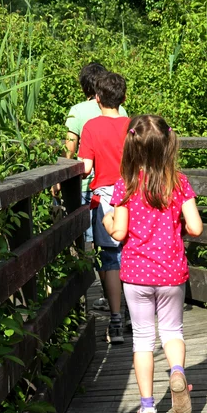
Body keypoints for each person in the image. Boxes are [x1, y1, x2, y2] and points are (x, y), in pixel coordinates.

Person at [102, 115, 203, 413]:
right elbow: (196, 227)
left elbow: (118, 233)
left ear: (133, 147)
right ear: (168, 146)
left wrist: (107, 222)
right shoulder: (179, 183)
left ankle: (147, 408)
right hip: (172, 272)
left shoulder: (126, 185)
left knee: (143, 340)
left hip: (135, 275)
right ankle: (177, 372)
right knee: (173, 332)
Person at [51, 63, 127, 312]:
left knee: (95, 247)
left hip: (90, 189)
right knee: (120, 247)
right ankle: (122, 304)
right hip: (125, 190)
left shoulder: (80, 115)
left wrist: (59, 178)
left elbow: (73, 152)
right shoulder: (125, 115)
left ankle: (97, 303)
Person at [78, 72, 130, 344]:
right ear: (123, 99)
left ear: (97, 98)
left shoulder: (91, 128)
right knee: (131, 253)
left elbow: (85, 167)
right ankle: (135, 313)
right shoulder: (133, 126)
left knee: (110, 259)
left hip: (106, 198)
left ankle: (116, 320)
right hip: (133, 195)